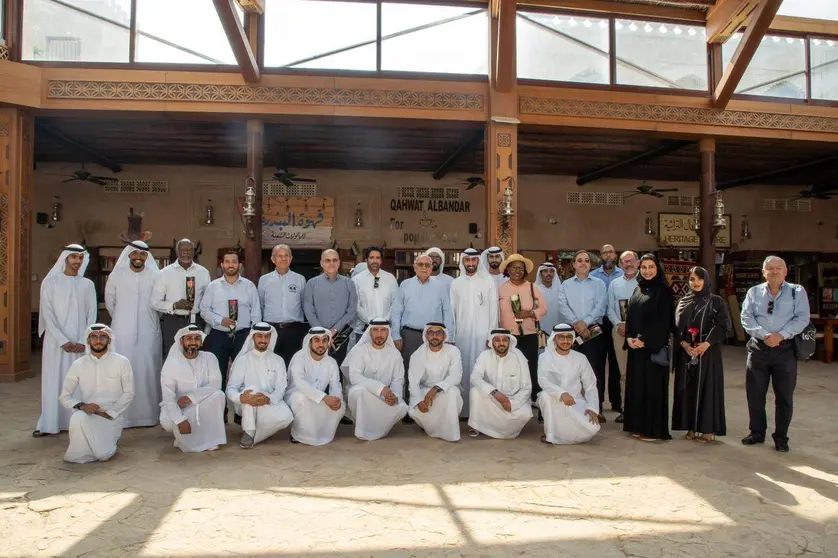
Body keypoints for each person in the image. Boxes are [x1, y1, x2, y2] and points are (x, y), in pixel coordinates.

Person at [741, 256, 810, 453]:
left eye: (778, 268)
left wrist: (781, 335)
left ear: (785, 271)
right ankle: (756, 432)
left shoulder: (797, 292)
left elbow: (802, 317)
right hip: (758, 349)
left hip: (785, 350)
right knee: (755, 395)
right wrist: (765, 335)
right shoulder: (754, 292)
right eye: (769, 268)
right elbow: (746, 317)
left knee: (784, 397)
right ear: (763, 272)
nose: (774, 271)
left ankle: (781, 437)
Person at [34, 244, 97, 437]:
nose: (77, 261)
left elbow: (91, 315)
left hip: (80, 343)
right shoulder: (50, 282)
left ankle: (77, 424)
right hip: (55, 343)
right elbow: (48, 314)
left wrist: (82, 340)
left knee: (79, 382)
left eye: (80, 258)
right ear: (65, 259)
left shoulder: (87, 284)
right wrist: (63, 340)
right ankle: (50, 423)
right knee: (54, 380)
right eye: (73, 257)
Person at [104, 241, 162, 428]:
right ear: (128, 255)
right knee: (122, 372)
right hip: (122, 332)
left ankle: (148, 416)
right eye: (134, 253)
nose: (138, 257)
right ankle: (123, 417)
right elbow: (110, 303)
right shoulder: (116, 276)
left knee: (148, 371)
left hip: (149, 331)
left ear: (147, 256)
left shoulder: (156, 276)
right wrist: (123, 321)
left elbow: (160, 305)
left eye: (142, 254)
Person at [672, 267, 732, 444]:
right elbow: (676, 328)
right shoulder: (684, 301)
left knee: (707, 390)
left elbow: (723, 326)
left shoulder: (716, 301)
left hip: (708, 354)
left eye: (699, 279)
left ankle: (707, 430)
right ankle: (690, 427)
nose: (695, 283)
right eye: (691, 279)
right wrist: (684, 344)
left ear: (706, 280)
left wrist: (706, 343)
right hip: (687, 354)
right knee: (687, 389)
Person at [59, 324, 134, 463]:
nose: (98, 340)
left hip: (111, 417)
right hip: (88, 414)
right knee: (77, 418)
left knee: (103, 455)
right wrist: (82, 405)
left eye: (102, 337)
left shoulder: (121, 362)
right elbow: (64, 396)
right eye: (94, 337)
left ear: (109, 340)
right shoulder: (78, 364)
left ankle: (106, 442)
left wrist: (110, 412)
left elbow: (129, 393)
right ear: (88, 341)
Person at [200, 250, 261, 418]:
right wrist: (220, 320)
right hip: (219, 335)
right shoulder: (213, 286)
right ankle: (219, 412)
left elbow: (256, 313)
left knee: (242, 374)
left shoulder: (249, 286)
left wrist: (253, 336)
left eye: (234, 261)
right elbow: (204, 310)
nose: (231, 265)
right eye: (227, 262)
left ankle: (241, 413)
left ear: (239, 265)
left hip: (243, 335)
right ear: (222, 265)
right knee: (217, 374)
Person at [623, 254, 674, 442]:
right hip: (636, 349)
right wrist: (629, 337)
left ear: (657, 268)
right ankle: (637, 425)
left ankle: (652, 430)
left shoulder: (663, 291)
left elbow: (664, 321)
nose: (647, 271)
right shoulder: (638, 289)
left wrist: (645, 340)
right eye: (644, 267)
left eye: (651, 267)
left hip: (652, 348)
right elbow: (630, 316)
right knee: (637, 389)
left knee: (652, 389)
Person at [391, 254, 453, 400]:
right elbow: (396, 311)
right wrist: (395, 334)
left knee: (433, 370)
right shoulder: (405, 285)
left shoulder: (440, 286)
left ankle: (431, 404)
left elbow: (447, 312)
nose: (424, 268)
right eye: (421, 264)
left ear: (432, 268)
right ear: (414, 267)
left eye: (427, 265)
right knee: (409, 370)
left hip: (434, 336)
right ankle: (410, 403)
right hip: (410, 335)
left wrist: (449, 336)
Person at [557, 250, 608, 422]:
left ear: (590, 264)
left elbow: (601, 306)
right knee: (572, 371)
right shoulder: (566, 284)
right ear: (574, 264)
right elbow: (562, 306)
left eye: (586, 260)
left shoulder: (599, 284)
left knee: (595, 372)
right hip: (572, 334)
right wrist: (576, 323)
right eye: (579, 260)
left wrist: (585, 322)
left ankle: (596, 409)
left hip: (594, 332)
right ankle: (575, 410)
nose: (583, 263)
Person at [159, 325, 227, 452]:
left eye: (197, 338)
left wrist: (192, 397)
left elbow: (216, 383)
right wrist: (179, 420)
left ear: (201, 342)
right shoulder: (171, 363)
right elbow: (168, 396)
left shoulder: (210, 358)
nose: (193, 342)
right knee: (167, 421)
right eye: (189, 338)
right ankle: (179, 437)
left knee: (219, 395)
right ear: (181, 341)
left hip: (202, 403)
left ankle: (210, 440)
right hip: (178, 406)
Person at [226, 323, 294, 449]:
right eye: (259, 336)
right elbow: (231, 389)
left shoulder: (278, 360)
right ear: (253, 337)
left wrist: (268, 399)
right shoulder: (243, 360)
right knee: (252, 390)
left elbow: (280, 389)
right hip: (246, 403)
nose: (263, 340)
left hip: (268, 401)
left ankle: (257, 432)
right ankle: (249, 431)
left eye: (266, 336)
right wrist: (241, 398)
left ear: (270, 338)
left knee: (287, 417)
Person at [341, 319, 408, 440]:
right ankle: (363, 430)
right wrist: (381, 389)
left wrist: (394, 396)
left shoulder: (395, 354)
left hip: (384, 398)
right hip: (364, 394)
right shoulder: (360, 351)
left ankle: (379, 429)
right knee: (358, 392)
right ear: (369, 332)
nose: (379, 334)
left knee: (403, 408)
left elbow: (398, 380)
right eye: (375, 330)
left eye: (383, 330)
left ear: (388, 333)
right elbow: (355, 377)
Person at [450, 248, 498, 417]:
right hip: (461, 334)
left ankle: (480, 413)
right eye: (467, 261)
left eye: (474, 261)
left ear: (478, 261)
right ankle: (462, 411)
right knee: (461, 368)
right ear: (463, 262)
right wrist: (452, 336)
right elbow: (452, 312)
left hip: (482, 335)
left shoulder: (488, 281)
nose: (470, 264)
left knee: (481, 370)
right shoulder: (456, 283)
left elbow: (494, 311)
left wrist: (491, 336)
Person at [537, 324, 601, 445]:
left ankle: (561, 433)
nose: (565, 341)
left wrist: (592, 407)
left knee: (592, 429)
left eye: (568, 337)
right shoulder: (545, 357)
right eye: (561, 337)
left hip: (575, 400)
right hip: (553, 399)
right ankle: (550, 435)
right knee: (544, 396)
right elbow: (543, 381)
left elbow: (590, 385)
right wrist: (561, 393)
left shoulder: (580, 358)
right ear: (555, 338)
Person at [497, 254, 546, 409]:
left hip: (528, 334)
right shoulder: (501, 289)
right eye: (514, 267)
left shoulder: (532, 287)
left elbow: (543, 308)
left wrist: (530, 313)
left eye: (520, 268)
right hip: (507, 336)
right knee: (510, 368)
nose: (517, 271)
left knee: (530, 367)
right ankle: (511, 398)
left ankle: (533, 399)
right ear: (507, 269)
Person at [468, 329, 533, 439]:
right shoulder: (485, 355)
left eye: (504, 340)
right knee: (475, 392)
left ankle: (498, 429)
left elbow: (527, 387)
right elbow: (475, 377)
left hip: (513, 399)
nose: (501, 343)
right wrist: (494, 392)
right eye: (497, 340)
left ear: (509, 342)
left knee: (526, 413)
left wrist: (513, 404)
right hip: (493, 398)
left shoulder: (519, 356)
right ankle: (478, 427)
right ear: (492, 342)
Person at [151, 239, 211, 356]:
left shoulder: (203, 272)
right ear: (177, 252)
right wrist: (174, 305)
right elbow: (154, 302)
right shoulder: (164, 273)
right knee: (173, 355)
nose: (186, 252)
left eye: (189, 249)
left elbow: (209, 300)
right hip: (173, 321)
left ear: (194, 252)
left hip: (196, 321)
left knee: (196, 356)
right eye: (183, 249)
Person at [285, 327, 345, 446]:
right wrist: (324, 398)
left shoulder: (331, 362)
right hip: (296, 398)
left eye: (324, 340)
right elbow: (300, 384)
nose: (321, 344)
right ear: (310, 342)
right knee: (301, 398)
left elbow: (335, 385)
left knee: (341, 405)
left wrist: (336, 398)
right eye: (317, 340)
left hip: (319, 398)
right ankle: (299, 434)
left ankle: (323, 434)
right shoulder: (299, 358)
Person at [407, 323, 464, 442]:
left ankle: (450, 433)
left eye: (438, 333)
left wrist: (436, 389)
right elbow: (413, 382)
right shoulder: (418, 354)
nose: (435, 336)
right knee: (417, 408)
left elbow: (456, 376)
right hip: (424, 392)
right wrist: (418, 401)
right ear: (426, 336)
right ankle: (430, 427)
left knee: (453, 392)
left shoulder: (453, 351)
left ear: (444, 336)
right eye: (431, 333)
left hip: (445, 391)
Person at [303, 249, 358, 366]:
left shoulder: (349, 284)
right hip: (317, 336)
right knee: (316, 369)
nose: (331, 263)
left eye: (334, 260)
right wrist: (323, 334)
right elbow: (308, 310)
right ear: (322, 263)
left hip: (341, 336)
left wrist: (333, 331)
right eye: (327, 260)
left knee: (337, 369)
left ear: (339, 262)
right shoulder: (311, 284)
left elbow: (352, 310)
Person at [257, 244, 308, 368]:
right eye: (279, 256)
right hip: (271, 330)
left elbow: (303, 304)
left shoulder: (300, 279)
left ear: (291, 259)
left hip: (293, 331)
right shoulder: (264, 280)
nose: (283, 259)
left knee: (291, 366)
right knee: (269, 366)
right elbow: (260, 305)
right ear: (273, 259)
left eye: (286, 256)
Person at [606, 250, 640, 423]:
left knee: (641, 371)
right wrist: (618, 324)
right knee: (624, 372)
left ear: (638, 262)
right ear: (620, 265)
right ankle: (627, 410)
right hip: (620, 332)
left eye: (631, 261)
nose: (628, 264)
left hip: (641, 333)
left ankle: (641, 408)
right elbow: (609, 307)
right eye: (624, 262)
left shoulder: (644, 281)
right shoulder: (614, 284)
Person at [591, 244, 624, 418]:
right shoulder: (593, 276)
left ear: (615, 254)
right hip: (598, 324)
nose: (608, 255)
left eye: (611, 252)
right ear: (601, 256)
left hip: (617, 324)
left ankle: (617, 403)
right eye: (605, 252)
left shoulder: (622, 274)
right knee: (598, 364)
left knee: (617, 364)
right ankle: (598, 406)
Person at [352, 246, 398, 345]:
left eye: (378, 258)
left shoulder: (390, 279)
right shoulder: (357, 280)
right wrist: (370, 321)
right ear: (366, 260)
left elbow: (395, 303)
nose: (375, 260)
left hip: (386, 331)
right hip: (363, 330)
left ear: (381, 260)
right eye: (371, 258)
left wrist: (384, 321)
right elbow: (356, 305)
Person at [534, 262, 566, 336]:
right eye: (545, 271)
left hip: (558, 326)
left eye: (551, 271)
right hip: (541, 328)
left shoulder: (561, 290)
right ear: (540, 273)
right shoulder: (535, 290)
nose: (549, 274)